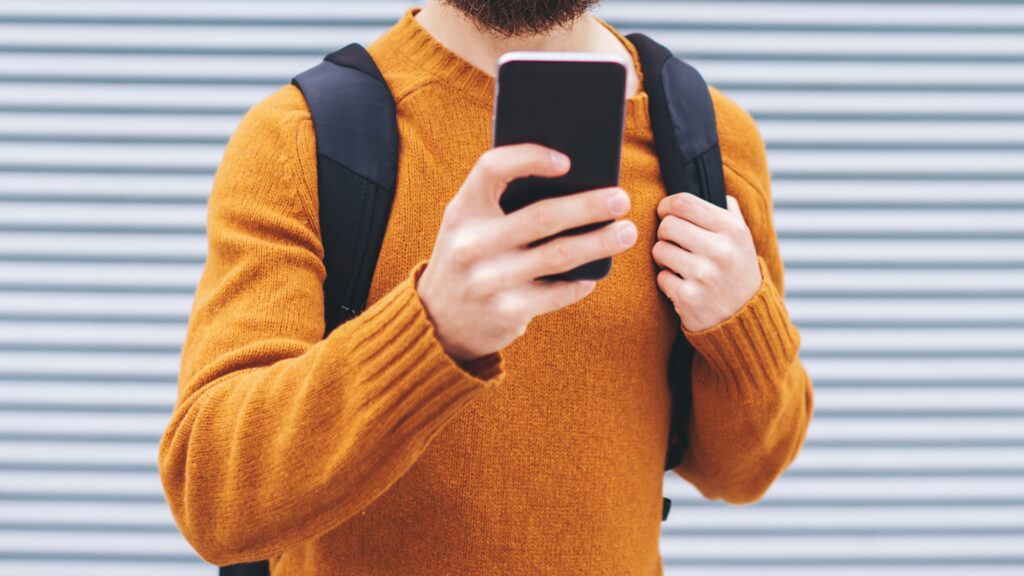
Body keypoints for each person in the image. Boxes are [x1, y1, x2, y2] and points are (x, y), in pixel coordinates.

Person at [158, 1, 814, 573]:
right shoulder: (300, 139)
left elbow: (746, 471)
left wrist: (738, 322)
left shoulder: (712, 141)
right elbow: (214, 501)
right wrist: (431, 330)